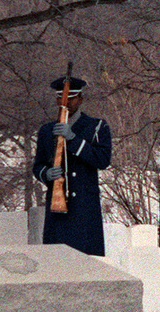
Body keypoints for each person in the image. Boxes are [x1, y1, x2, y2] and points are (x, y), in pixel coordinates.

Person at [32, 76, 113, 256]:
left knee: (87, 261)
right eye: (61, 98)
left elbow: (103, 159)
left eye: (71, 98)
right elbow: (37, 166)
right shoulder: (47, 131)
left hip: (84, 208)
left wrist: (73, 140)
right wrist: (47, 174)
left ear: (80, 99)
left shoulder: (97, 127)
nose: (66, 102)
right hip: (58, 211)